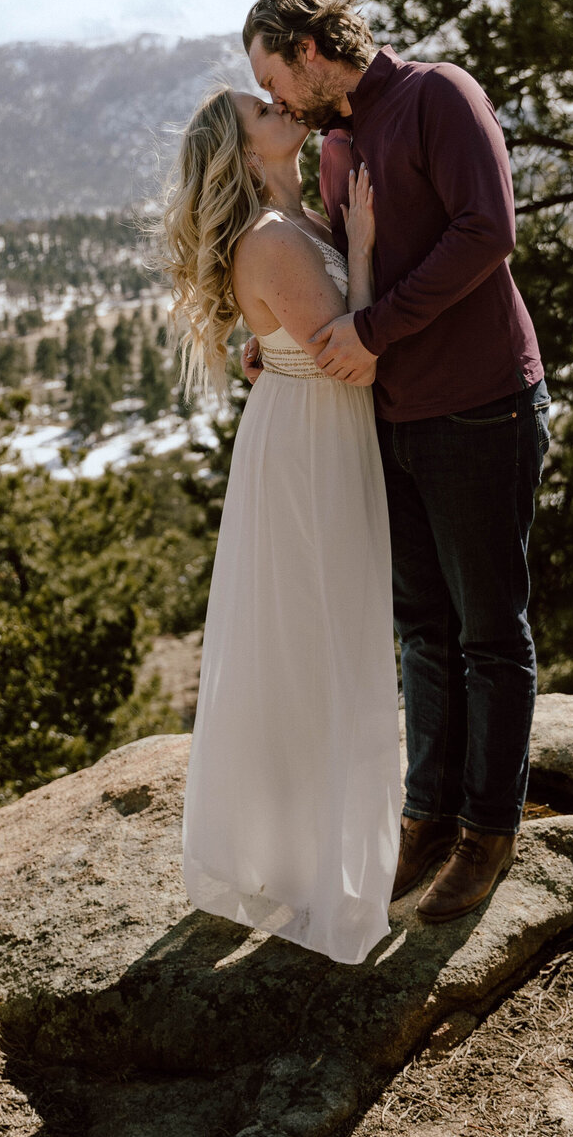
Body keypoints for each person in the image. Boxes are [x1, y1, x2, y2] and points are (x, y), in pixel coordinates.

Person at [243, 0, 549, 924]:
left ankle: (488, 834)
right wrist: (285, 333)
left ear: (310, 48)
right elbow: (338, 268)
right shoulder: (336, 145)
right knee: (422, 627)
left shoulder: (439, 95)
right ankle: (427, 815)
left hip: (480, 408)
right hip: (393, 423)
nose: (277, 101)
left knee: (489, 632)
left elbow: (487, 233)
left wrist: (375, 329)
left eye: (272, 78)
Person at [163, 85, 400, 965]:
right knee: (318, 643)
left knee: (325, 637)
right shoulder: (270, 240)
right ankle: (308, 863)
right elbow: (351, 362)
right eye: (263, 110)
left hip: (315, 434)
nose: (281, 109)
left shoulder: (301, 220)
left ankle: (321, 849)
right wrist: (366, 252)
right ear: (244, 149)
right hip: (309, 446)